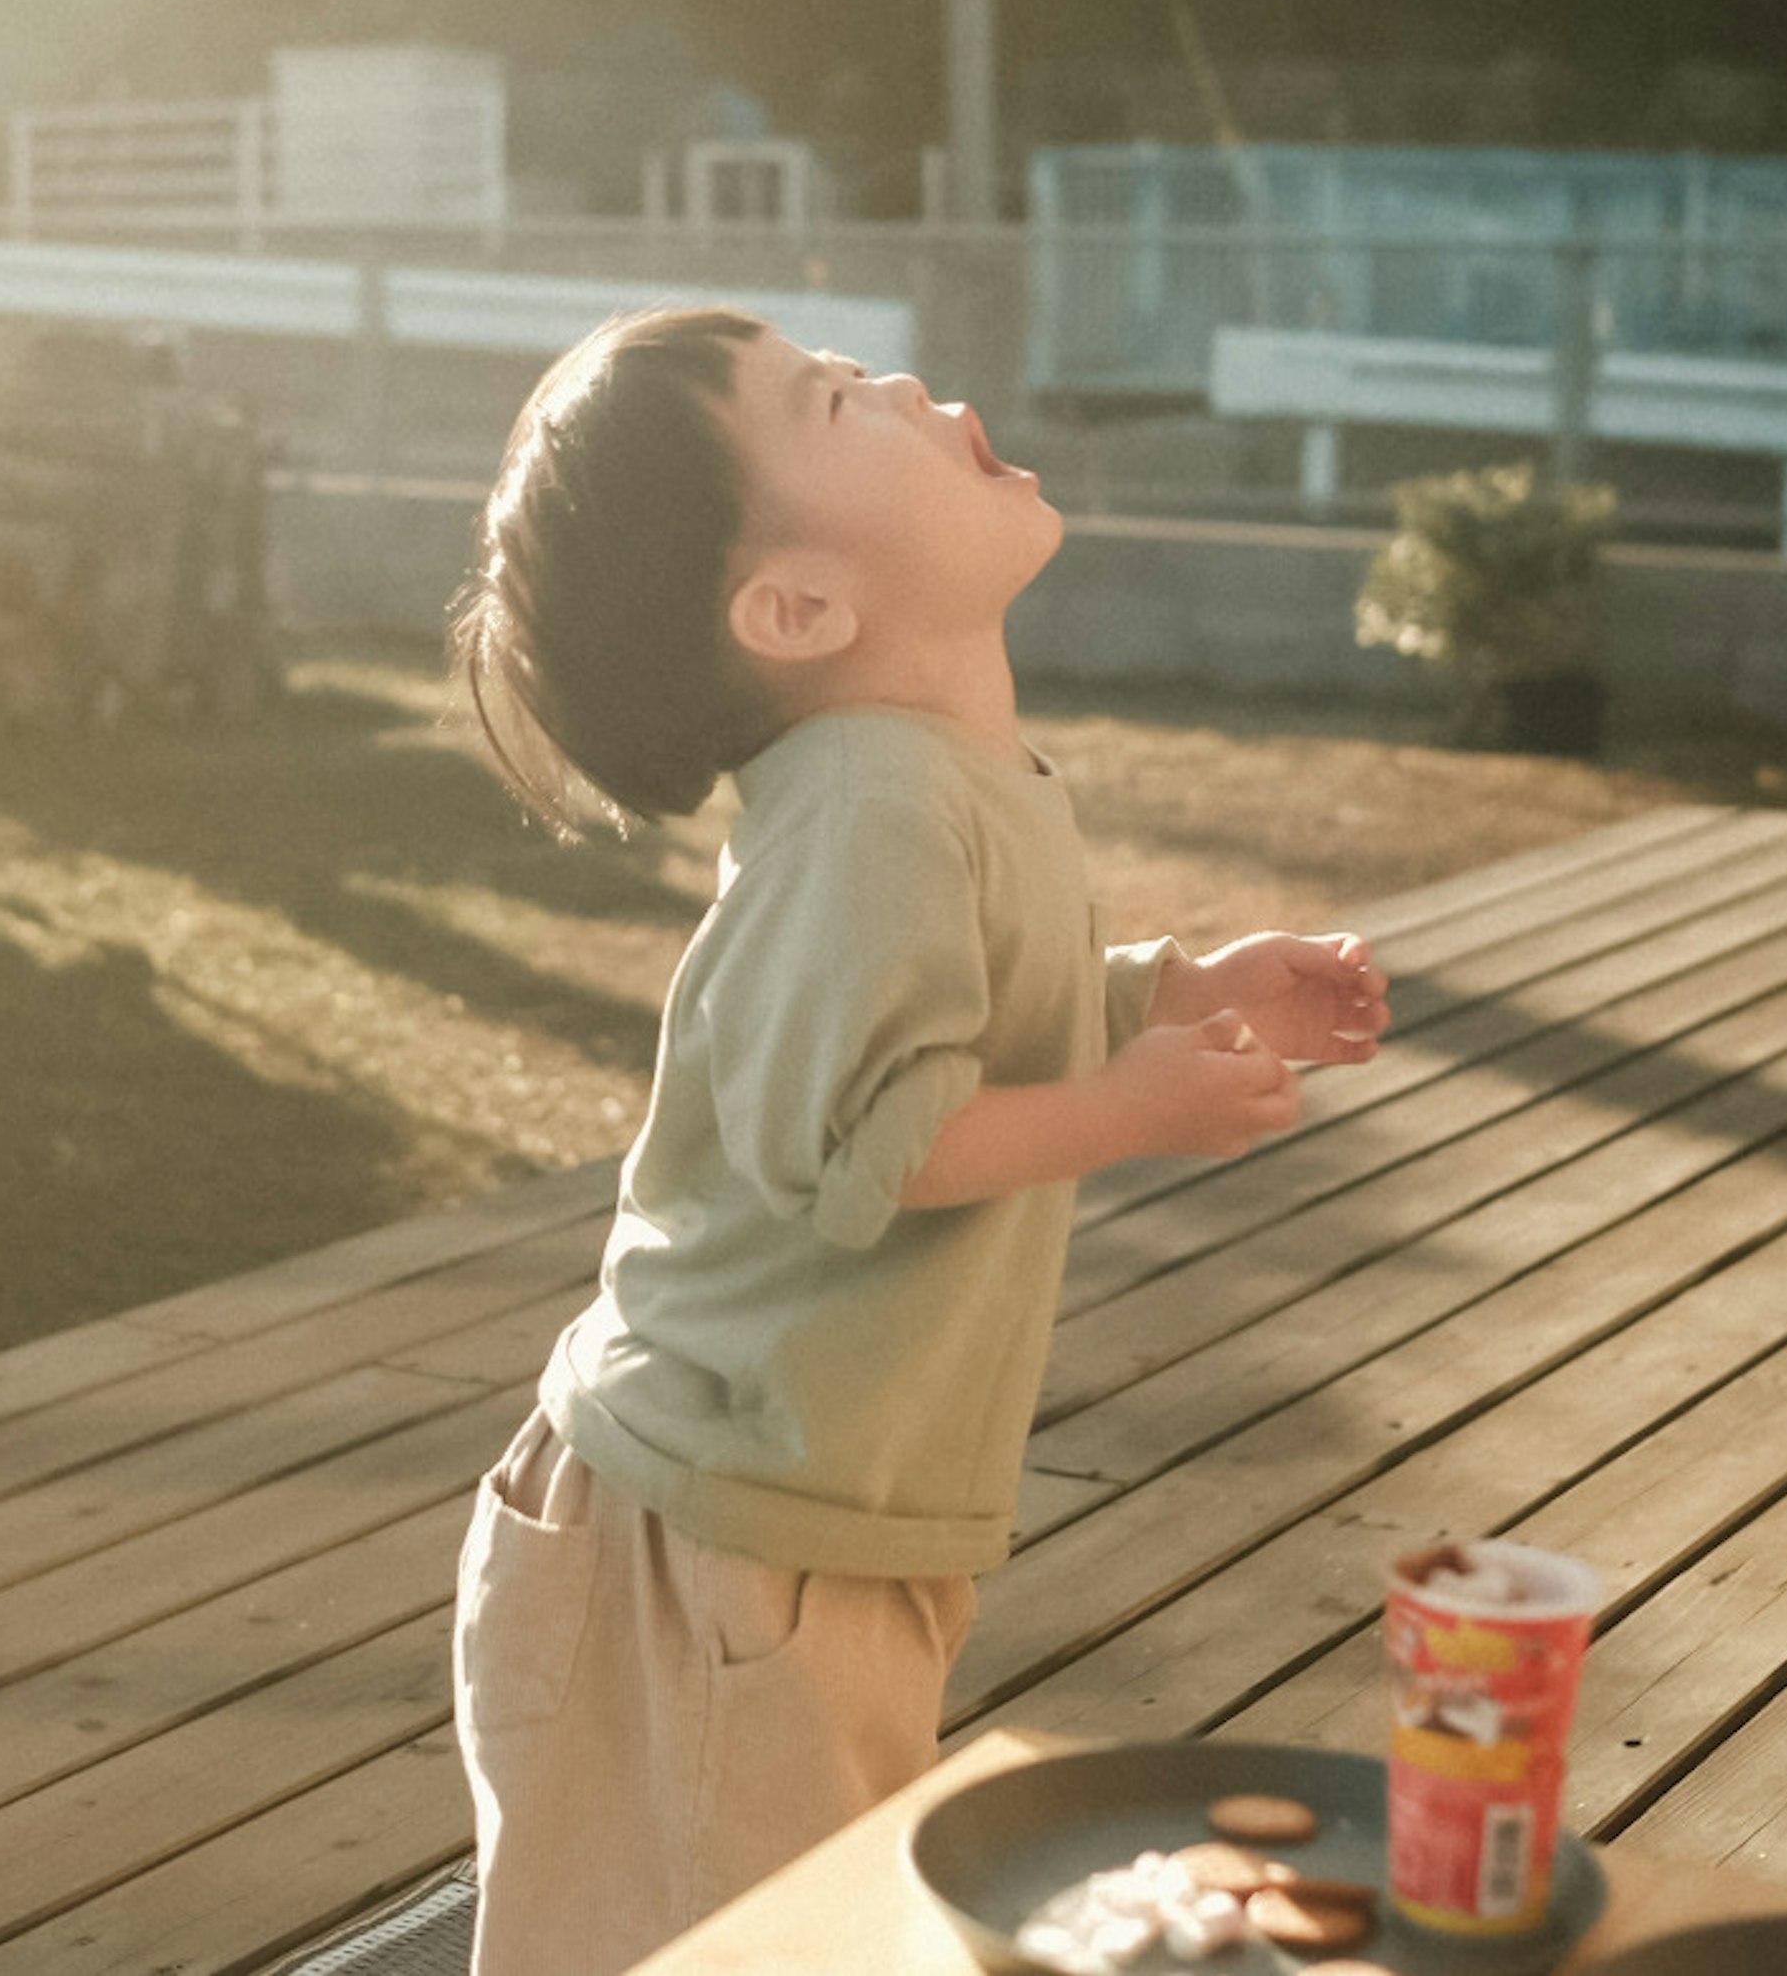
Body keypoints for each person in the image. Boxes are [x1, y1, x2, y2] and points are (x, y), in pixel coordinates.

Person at [441, 305, 1392, 1976]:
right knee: (739, 1957)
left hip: (799, 1521)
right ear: (798, 606)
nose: (900, 384)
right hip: (712, 1547)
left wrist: (1170, 991)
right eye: (831, 398)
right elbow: (868, 1143)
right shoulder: (872, 799)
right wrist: (1125, 1112)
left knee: (788, 1939)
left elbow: (962, 1012)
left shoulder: (935, 777)